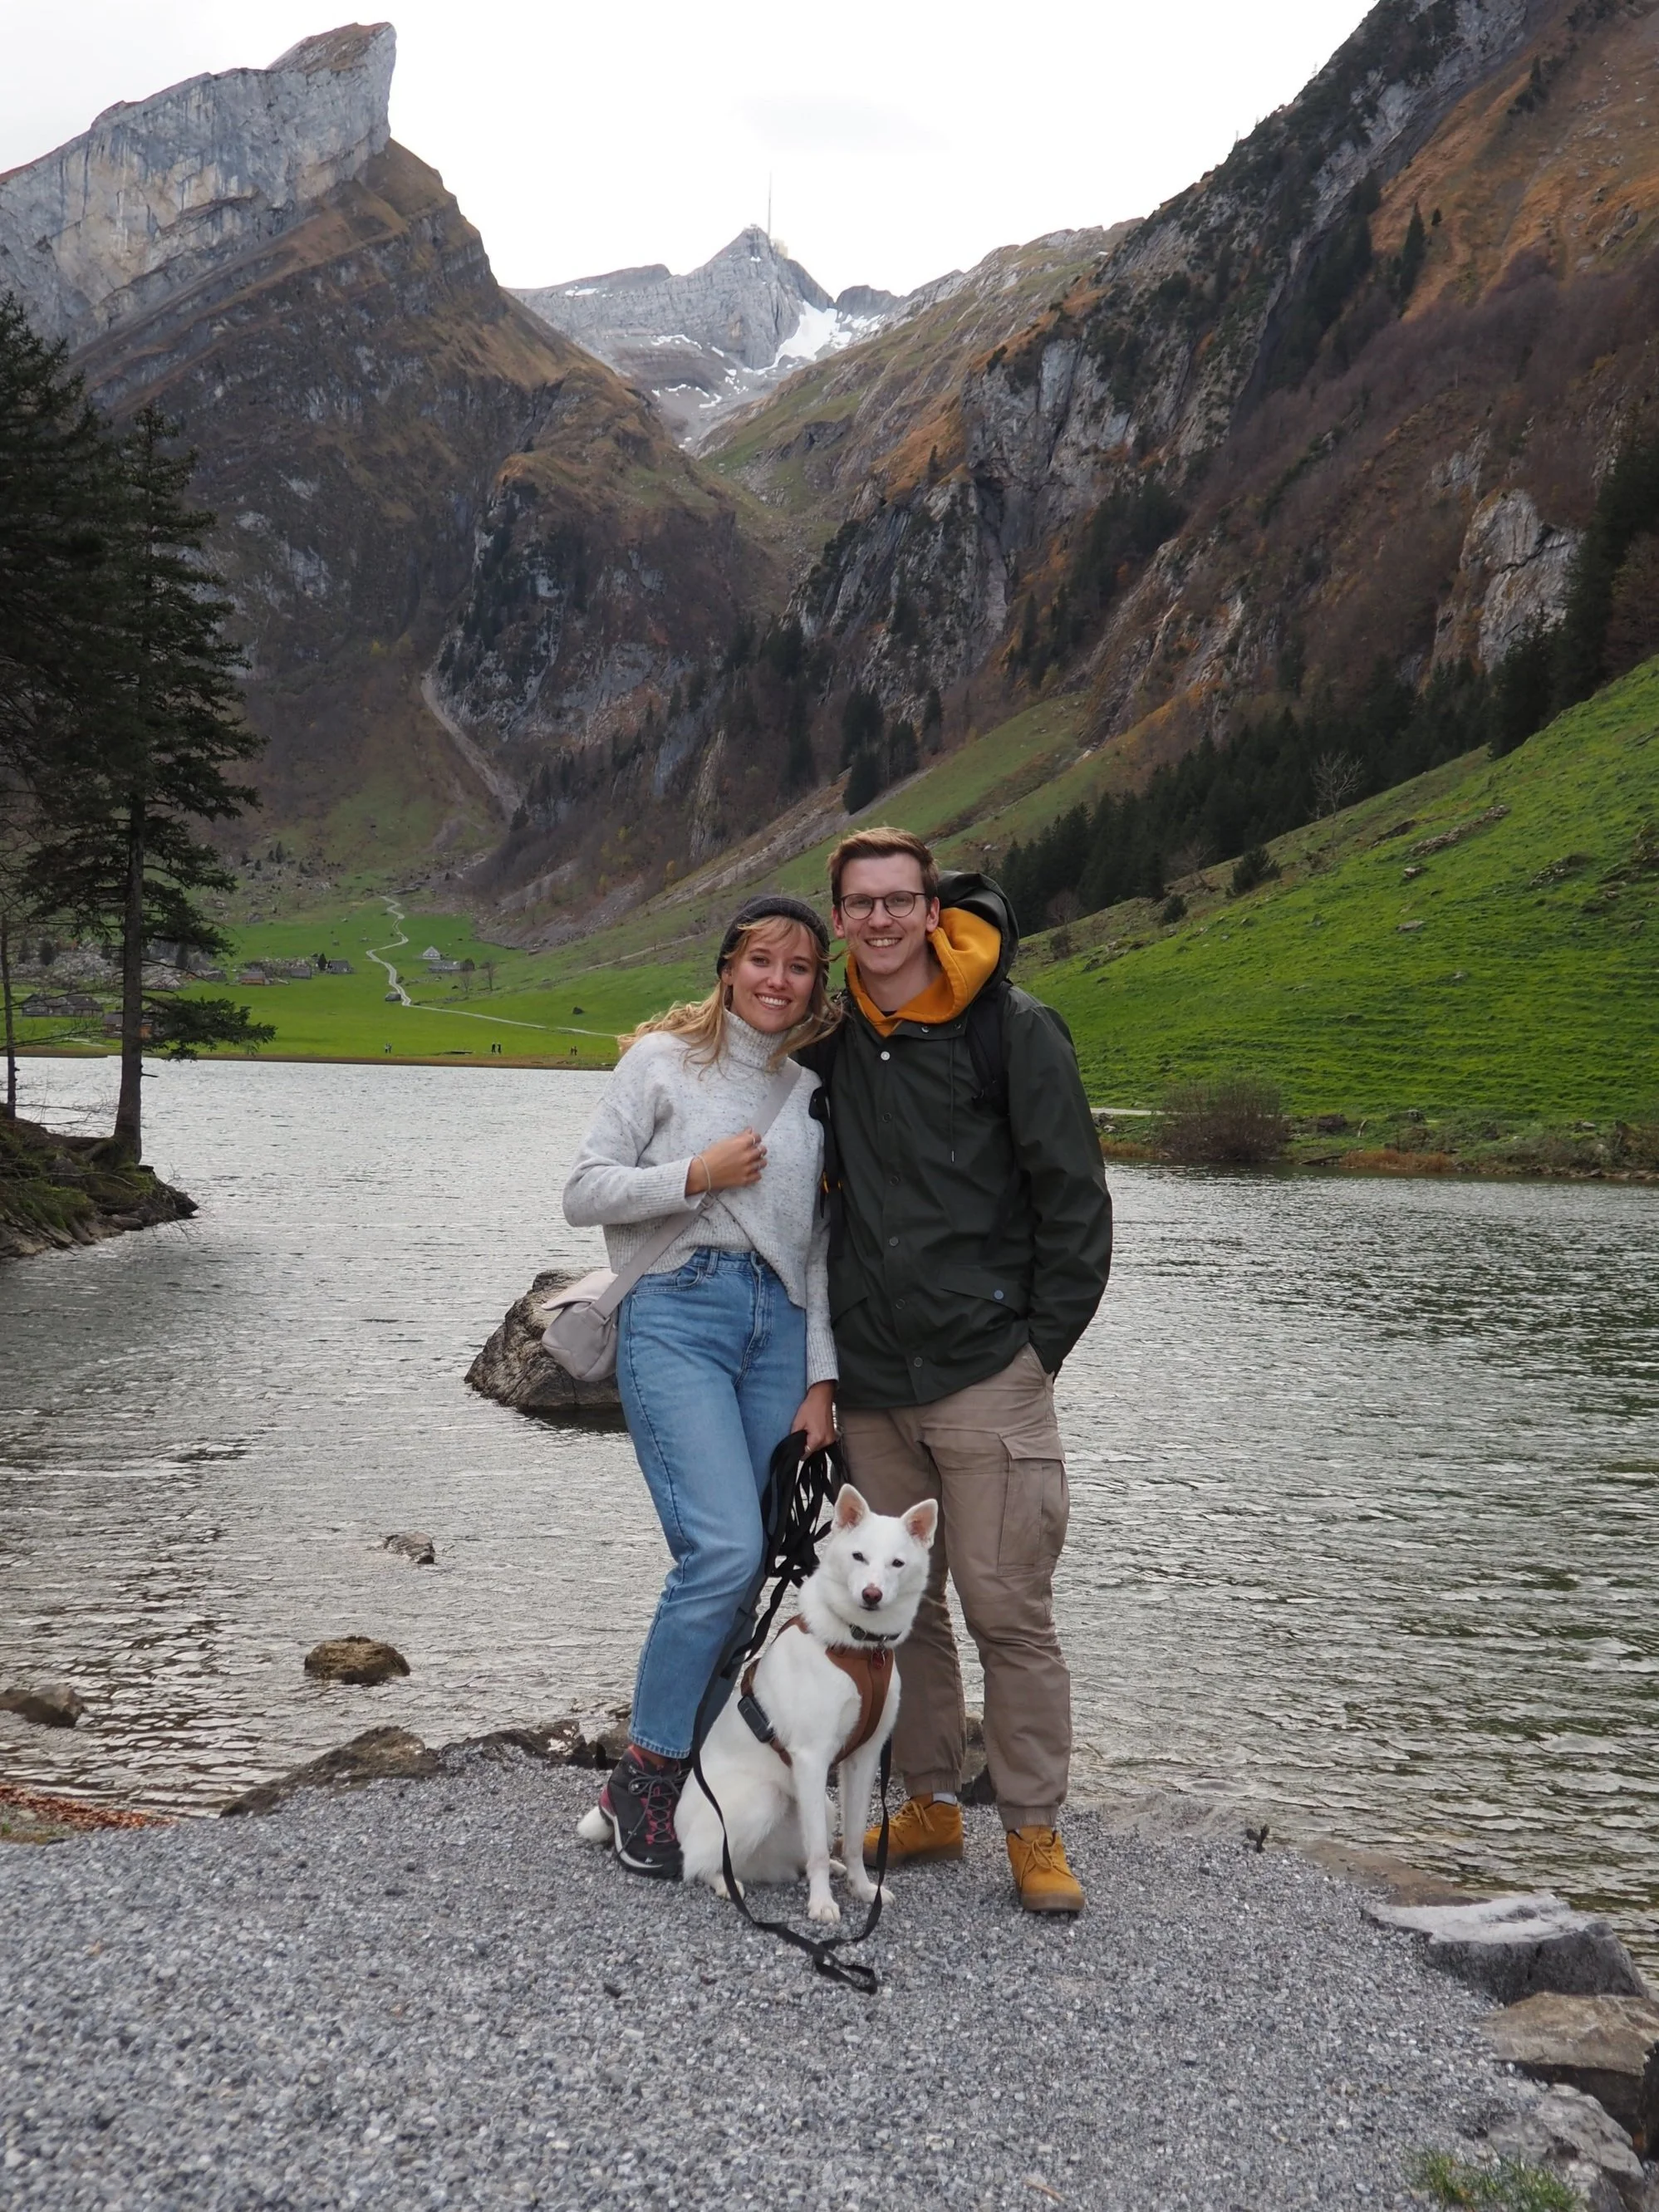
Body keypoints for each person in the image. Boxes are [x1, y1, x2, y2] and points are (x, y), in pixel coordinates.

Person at [805, 826, 1112, 1914]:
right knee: (897, 1606)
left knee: (1004, 1600)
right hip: (874, 1378)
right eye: (860, 904)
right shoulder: (833, 1038)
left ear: (935, 910)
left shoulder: (1012, 1030)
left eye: (899, 901)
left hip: (989, 1369)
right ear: (837, 917)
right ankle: (930, 1798)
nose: (880, 920)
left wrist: (1038, 1354)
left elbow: (1075, 1205)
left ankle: (1031, 1823)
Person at [562, 895, 840, 1880]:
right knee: (719, 1547)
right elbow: (582, 1189)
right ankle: (644, 1772)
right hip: (675, 1314)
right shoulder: (657, 1064)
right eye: (762, 960)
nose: (778, 979)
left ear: (815, 984)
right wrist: (693, 1172)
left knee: (755, 1552)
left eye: (799, 966)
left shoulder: (812, 1090)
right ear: (727, 967)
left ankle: (692, 1768)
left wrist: (822, 1379)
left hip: (779, 1329)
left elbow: (818, 1250)